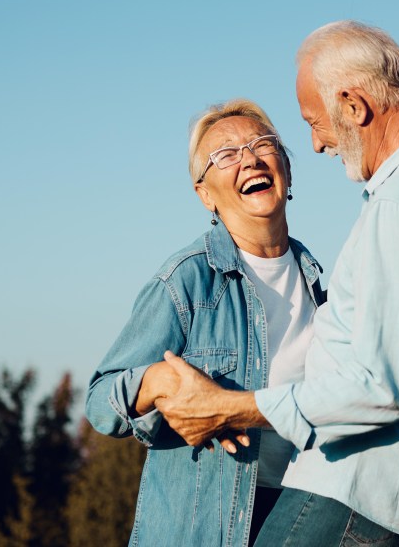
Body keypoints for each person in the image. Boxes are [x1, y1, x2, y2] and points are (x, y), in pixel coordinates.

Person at [156, 20, 399, 546]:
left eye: (315, 121)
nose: (316, 144)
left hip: (350, 496)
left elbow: (381, 389)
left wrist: (230, 407)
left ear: (354, 107)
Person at [84, 98, 325, 546]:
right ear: (205, 194)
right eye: (225, 155)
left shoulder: (319, 282)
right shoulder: (187, 279)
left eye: (262, 144)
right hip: (204, 530)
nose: (249, 158)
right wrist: (157, 380)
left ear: (287, 170)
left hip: (296, 515)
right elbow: (100, 401)